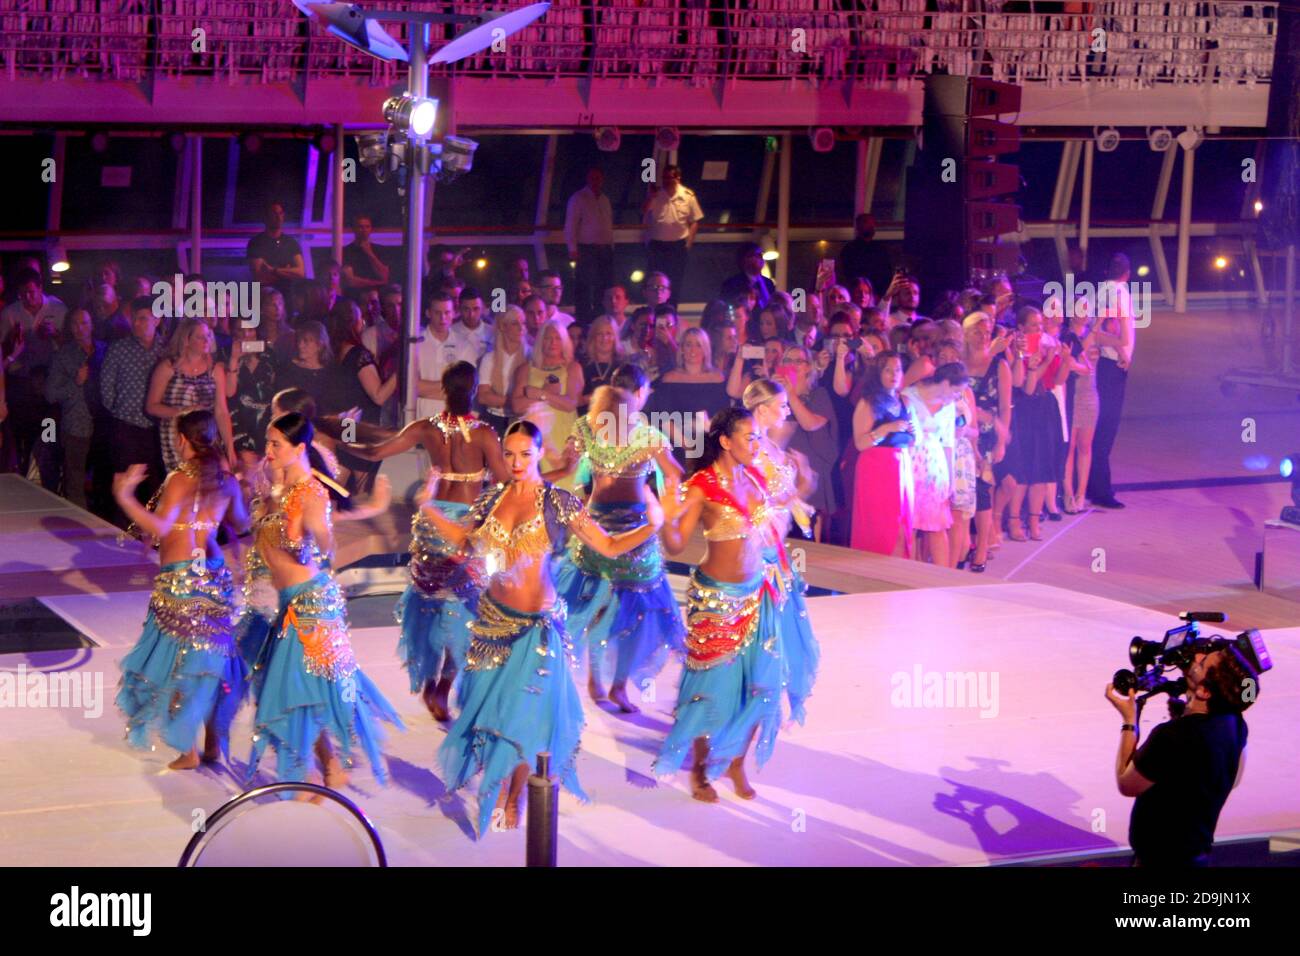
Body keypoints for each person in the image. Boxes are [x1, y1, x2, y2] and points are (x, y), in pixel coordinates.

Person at [418, 419, 662, 834]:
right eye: (508, 454)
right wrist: (428, 508)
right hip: (492, 626)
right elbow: (464, 539)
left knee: (522, 719)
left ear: (538, 453)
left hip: (537, 630)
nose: (515, 462)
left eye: (525, 454)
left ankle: (512, 798)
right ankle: (499, 791)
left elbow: (607, 545)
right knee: (490, 715)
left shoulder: (558, 501)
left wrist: (652, 523)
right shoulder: (491, 498)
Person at [244, 412, 404, 789]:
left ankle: (326, 768)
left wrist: (314, 534)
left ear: (300, 448)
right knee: (293, 687)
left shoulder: (311, 492)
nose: (267, 451)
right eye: (267, 443)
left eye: (275, 444)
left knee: (298, 688)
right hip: (290, 602)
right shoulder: (280, 489)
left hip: (311, 605)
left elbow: (323, 545)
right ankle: (325, 767)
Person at [347, 361, 509, 721]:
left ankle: (430, 680)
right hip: (461, 531)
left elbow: (375, 452)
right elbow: (507, 482)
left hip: (430, 527)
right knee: (467, 611)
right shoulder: (483, 433)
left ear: (442, 390)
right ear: (474, 389)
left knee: (431, 605)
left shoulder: (425, 428)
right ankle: (442, 687)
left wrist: (336, 435)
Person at [654, 408, 787, 801]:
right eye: (749, 437)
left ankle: (735, 763)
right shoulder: (702, 485)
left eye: (759, 437)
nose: (757, 444)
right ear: (726, 441)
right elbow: (675, 544)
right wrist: (663, 509)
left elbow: (769, 530)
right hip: (716, 600)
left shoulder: (756, 478)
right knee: (709, 688)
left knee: (759, 686)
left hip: (758, 595)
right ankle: (699, 769)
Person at [113, 409, 249, 769]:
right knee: (209, 659)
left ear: (182, 440)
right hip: (214, 575)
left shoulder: (179, 478)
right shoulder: (226, 481)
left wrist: (126, 496)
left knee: (177, 661)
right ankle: (212, 743)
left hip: (181, 580)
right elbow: (243, 522)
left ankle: (187, 750)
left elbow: (159, 528)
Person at [554, 364, 685, 712]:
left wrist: (668, 509)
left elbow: (674, 474)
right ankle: (610, 682)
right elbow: (675, 474)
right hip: (608, 530)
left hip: (619, 531)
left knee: (619, 609)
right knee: (619, 609)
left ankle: (610, 682)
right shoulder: (622, 434)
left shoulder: (637, 435)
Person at [1107, 643, 1256, 867]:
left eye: (1202, 662)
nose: (1196, 657)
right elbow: (1230, 778)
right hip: (1196, 857)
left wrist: (1129, 721)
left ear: (1205, 691)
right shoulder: (1235, 724)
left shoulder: (1171, 736)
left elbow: (1126, 783)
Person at [740, 381, 822, 724]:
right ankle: (746, 699)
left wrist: (800, 484)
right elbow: (755, 506)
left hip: (773, 550)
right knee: (758, 629)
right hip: (755, 555)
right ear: (762, 411)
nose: (787, 411)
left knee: (774, 628)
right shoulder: (750, 450)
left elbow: (787, 501)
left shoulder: (769, 446)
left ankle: (759, 697)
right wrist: (799, 486)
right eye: (782, 405)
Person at [100, 296, 168, 526]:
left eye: (143, 319)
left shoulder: (167, 350)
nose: (137, 324)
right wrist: (120, 411)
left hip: (157, 428)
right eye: (134, 319)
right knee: (125, 483)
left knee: (157, 486)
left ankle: (152, 536)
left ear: (157, 320)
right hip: (126, 426)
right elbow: (106, 388)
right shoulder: (119, 349)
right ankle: (122, 534)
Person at [147, 317, 236, 473]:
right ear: (186, 340)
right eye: (200, 337)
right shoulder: (168, 367)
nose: (206, 340)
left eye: (208, 336)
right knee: (181, 483)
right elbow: (151, 406)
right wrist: (183, 411)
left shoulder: (215, 370)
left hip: (205, 437)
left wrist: (230, 447)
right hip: (176, 436)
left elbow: (221, 411)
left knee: (207, 483)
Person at [902, 363, 969, 568]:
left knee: (937, 525)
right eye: (956, 391)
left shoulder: (949, 406)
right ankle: (908, 575)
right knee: (910, 526)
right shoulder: (909, 396)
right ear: (945, 383)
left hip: (936, 466)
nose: (957, 397)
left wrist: (949, 479)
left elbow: (948, 443)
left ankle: (943, 576)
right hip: (910, 464)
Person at [327, 298, 397, 493]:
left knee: (344, 471)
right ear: (353, 322)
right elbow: (378, 396)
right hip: (360, 424)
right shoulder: (358, 355)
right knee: (359, 476)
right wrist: (400, 373)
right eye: (360, 318)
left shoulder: (334, 351)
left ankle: (326, 511)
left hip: (346, 422)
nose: (363, 322)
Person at [772, 345, 837, 541]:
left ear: (809, 367)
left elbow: (810, 424)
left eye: (798, 361)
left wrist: (790, 393)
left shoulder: (819, 395)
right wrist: (772, 394)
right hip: (782, 476)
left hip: (810, 473)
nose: (792, 365)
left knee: (807, 539)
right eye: (787, 361)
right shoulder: (777, 398)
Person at [1088, 253, 1136, 509]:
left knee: (1099, 429)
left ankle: (1092, 484)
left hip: (1104, 365)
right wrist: (1121, 353)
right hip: (1111, 366)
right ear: (1127, 273)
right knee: (1106, 429)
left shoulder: (1100, 291)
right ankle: (1100, 490)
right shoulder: (1119, 293)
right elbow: (1109, 328)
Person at [45, 308, 106, 509]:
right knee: (75, 481)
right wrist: (76, 382)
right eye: (75, 324)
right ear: (69, 328)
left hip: (105, 424)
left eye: (84, 323)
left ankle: (100, 522)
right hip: (76, 426)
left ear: (92, 325)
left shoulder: (105, 350)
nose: (80, 328)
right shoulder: (63, 355)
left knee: (103, 478)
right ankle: (77, 526)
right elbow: (50, 394)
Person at [964, 312, 1011, 571]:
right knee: (964, 490)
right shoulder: (958, 362)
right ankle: (970, 541)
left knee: (982, 490)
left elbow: (1005, 408)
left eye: (987, 332)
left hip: (988, 435)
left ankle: (982, 546)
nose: (983, 336)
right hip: (961, 434)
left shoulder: (999, 365)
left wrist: (1001, 442)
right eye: (977, 332)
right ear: (965, 334)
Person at [646, 327, 729, 474]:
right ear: (681, 349)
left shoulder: (718, 378)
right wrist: (687, 445)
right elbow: (663, 418)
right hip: (676, 445)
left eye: (698, 345)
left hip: (710, 444)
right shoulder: (669, 378)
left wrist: (706, 443)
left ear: (705, 350)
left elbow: (723, 416)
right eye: (688, 344)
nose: (693, 349)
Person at [510, 318, 583, 480]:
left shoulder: (572, 368)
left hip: (565, 434)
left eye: (558, 338)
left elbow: (570, 404)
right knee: (537, 486)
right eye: (548, 338)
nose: (553, 343)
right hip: (535, 438)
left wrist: (540, 394)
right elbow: (516, 405)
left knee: (568, 484)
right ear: (540, 341)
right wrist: (546, 394)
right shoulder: (525, 369)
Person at [225, 308, 278, 474]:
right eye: (241, 330)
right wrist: (235, 359)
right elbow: (228, 392)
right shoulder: (225, 355)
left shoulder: (269, 356)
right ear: (234, 333)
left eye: (250, 329)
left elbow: (276, 389)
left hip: (265, 424)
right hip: (238, 424)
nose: (246, 335)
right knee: (245, 478)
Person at [417, 290, 481, 420]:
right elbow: (413, 387)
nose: (443, 318)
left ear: (453, 313)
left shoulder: (465, 346)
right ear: (428, 313)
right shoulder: (416, 343)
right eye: (437, 313)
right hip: (421, 420)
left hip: (453, 422)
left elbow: (467, 390)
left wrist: (424, 390)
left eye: (447, 312)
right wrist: (453, 388)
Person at [1061, 304, 1100, 514]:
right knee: (1070, 446)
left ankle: (1081, 494)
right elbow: (1076, 358)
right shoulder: (1067, 336)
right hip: (1072, 395)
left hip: (1090, 395)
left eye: (1088, 309)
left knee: (1085, 446)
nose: (1086, 313)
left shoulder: (1092, 334)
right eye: (1081, 309)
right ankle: (1067, 494)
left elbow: (1090, 364)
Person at [642, 164, 703, 297]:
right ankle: (654, 311)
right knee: (654, 281)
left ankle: (671, 312)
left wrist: (689, 243)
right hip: (657, 245)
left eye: (670, 178)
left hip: (678, 246)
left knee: (675, 281)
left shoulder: (688, 196)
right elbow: (645, 211)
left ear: (678, 178)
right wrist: (651, 197)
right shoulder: (656, 194)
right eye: (664, 178)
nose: (666, 181)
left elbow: (694, 221)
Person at [565, 167, 615, 324]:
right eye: (593, 178)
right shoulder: (578, 198)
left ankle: (600, 318)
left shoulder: (605, 199)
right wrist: (572, 248)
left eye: (598, 178)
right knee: (584, 286)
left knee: (603, 285)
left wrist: (611, 245)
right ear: (587, 178)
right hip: (587, 248)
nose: (596, 181)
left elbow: (608, 224)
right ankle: (583, 320)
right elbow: (571, 224)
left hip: (605, 249)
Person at [476, 305, 528, 436]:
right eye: (515, 323)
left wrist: (498, 400)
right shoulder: (490, 358)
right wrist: (514, 402)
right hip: (494, 419)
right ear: (503, 327)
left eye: (523, 323)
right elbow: (482, 396)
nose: (521, 328)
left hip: (522, 420)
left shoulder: (531, 355)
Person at [274, 320, 335, 414]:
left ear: (320, 345)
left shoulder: (331, 372)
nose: (300, 345)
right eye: (299, 341)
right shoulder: (288, 369)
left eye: (306, 341)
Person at [246, 200, 305, 287]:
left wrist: (274, 270)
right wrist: (288, 271)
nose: (278, 217)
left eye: (280, 213)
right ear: (266, 217)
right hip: (265, 296)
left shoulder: (291, 243)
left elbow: (301, 273)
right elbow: (260, 277)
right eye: (274, 214)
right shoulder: (256, 243)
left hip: (288, 295)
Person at [838, 213, 893, 298]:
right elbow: (848, 275)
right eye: (867, 222)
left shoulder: (881, 249)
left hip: (878, 295)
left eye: (873, 223)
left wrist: (881, 293)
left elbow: (887, 273)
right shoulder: (849, 250)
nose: (871, 226)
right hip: (857, 295)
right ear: (858, 226)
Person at [578, 314, 624, 413]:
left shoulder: (623, 366)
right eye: (600, 334)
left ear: (615, 337)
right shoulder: (581, 365)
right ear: (593, 337)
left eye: (609, 334)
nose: (604, 338)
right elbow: (573, 400)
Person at [719, 242, 776, 312]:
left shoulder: (768, 283)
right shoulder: (731, 284)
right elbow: (726, 309)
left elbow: (772, 307)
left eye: (760, 255)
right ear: (743, 260)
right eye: (753, 255)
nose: (758, 259)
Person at [340, 214, 390, 293]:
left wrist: (370, 253)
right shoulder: (346, 251)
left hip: (378, 294)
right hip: (356, 294)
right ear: (354, 229)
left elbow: (384, 276)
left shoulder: (379, 250)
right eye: (361, 227)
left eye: (367, 227)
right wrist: (377, 283)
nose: (364, 230)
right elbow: (350, 280)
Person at [453, 286, 493, 360]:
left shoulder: (492, 334)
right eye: (466, 309)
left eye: (476, 309)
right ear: (459, 309)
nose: (471, 314)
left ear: (482, 308)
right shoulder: (450, 332)